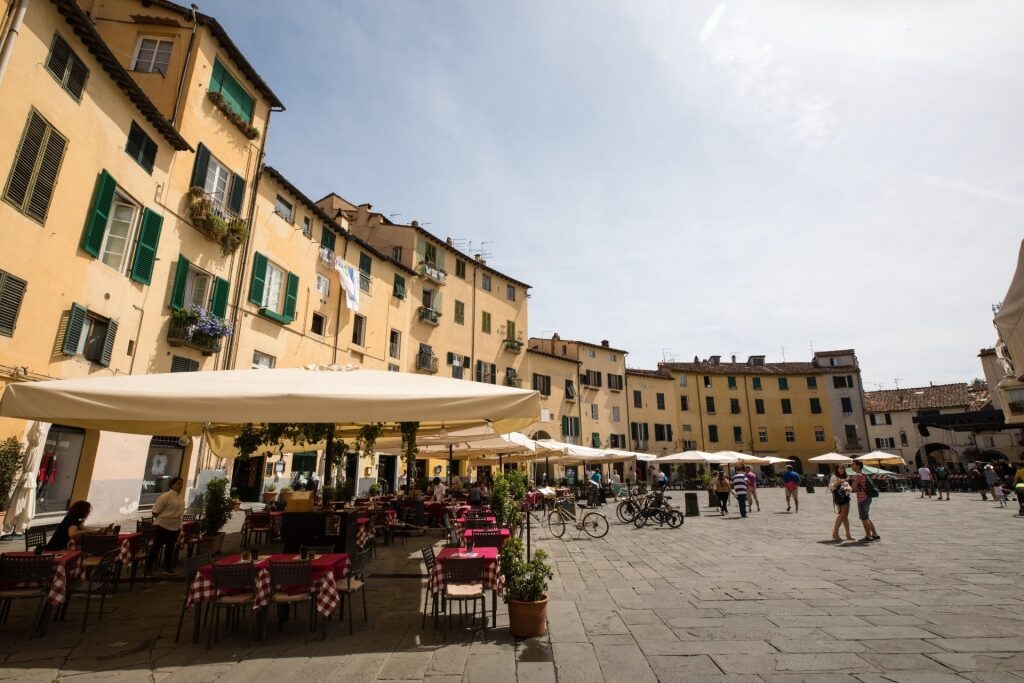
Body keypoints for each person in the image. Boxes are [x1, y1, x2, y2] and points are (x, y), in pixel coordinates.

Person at [146, 477, 185, 576]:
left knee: (170, 548)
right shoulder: (165, 496)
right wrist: (164, 519)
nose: (180, 486)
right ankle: (148, 570)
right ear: (172, 485)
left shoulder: (180, 497)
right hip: (163, 525)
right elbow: (155, 511)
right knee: (156, 548)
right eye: (178, 484)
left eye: (181, 484)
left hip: (175, 526)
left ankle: (167, 568)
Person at [850, 461, 880, 541]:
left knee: (864, 518)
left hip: (862, 498)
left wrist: (846, 487)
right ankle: (875, 534)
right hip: (868, 497)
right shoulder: (863, 474)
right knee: (867, 517)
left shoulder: (857, 475)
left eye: (853, 464)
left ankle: (868, 536)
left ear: (858, 466)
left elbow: (853, 488)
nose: (851, 465)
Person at [828, 466, 854, 542]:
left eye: (843, 468)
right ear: (837, 469)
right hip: (839, 498)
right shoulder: (834, 477)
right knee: (842, 515)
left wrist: (848, 488)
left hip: (846, 497)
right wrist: (839, 482)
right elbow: (831, 487)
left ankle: (848, 534)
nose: (842, 470)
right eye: (840, 468)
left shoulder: (844, 477)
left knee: (845, 516)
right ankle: (835, 533)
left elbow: (850, 488)